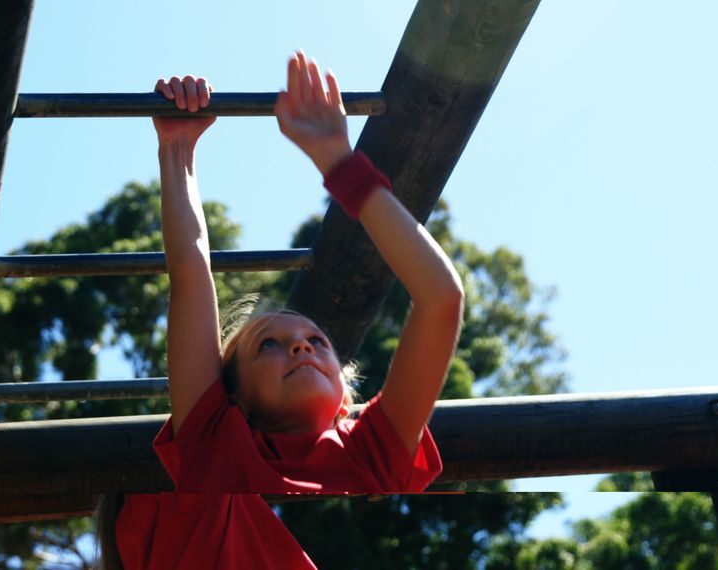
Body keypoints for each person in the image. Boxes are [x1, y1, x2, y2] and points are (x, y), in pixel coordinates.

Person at [106, 51, 464, 569]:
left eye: (318, 343)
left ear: (345, 396)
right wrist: (177, 148)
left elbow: (441, 298)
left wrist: (339, 162)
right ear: (233, 399)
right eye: (268, 346)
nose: (301, 344)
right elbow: (190, 271)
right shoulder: (215, 444)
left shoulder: (369, 452)